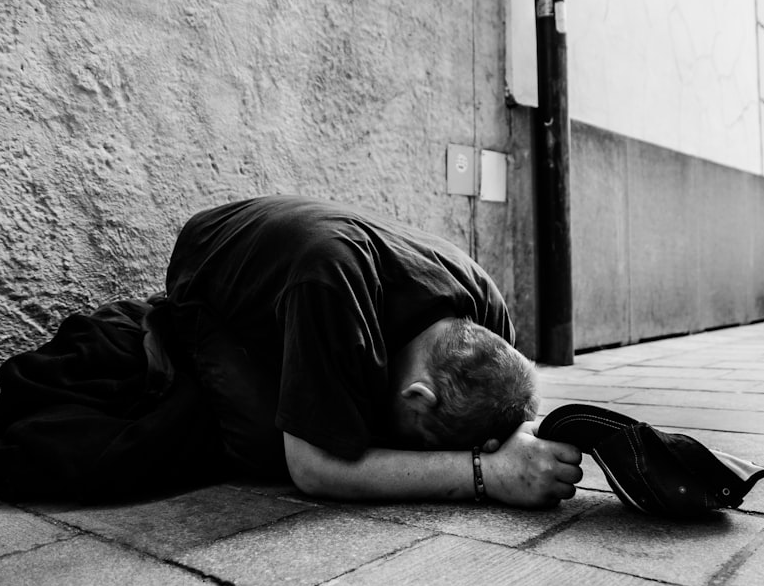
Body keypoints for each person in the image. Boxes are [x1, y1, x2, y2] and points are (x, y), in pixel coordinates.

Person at [163, 195, 582, 507]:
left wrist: (523, 439)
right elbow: (313, 468)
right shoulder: (331, 290)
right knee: (267, 446)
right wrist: (486, 474)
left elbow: (499, 409)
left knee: (348, 420)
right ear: (419, 394)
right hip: (204, 264)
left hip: (309, 265)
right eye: (429, 441)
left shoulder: (486, 306)